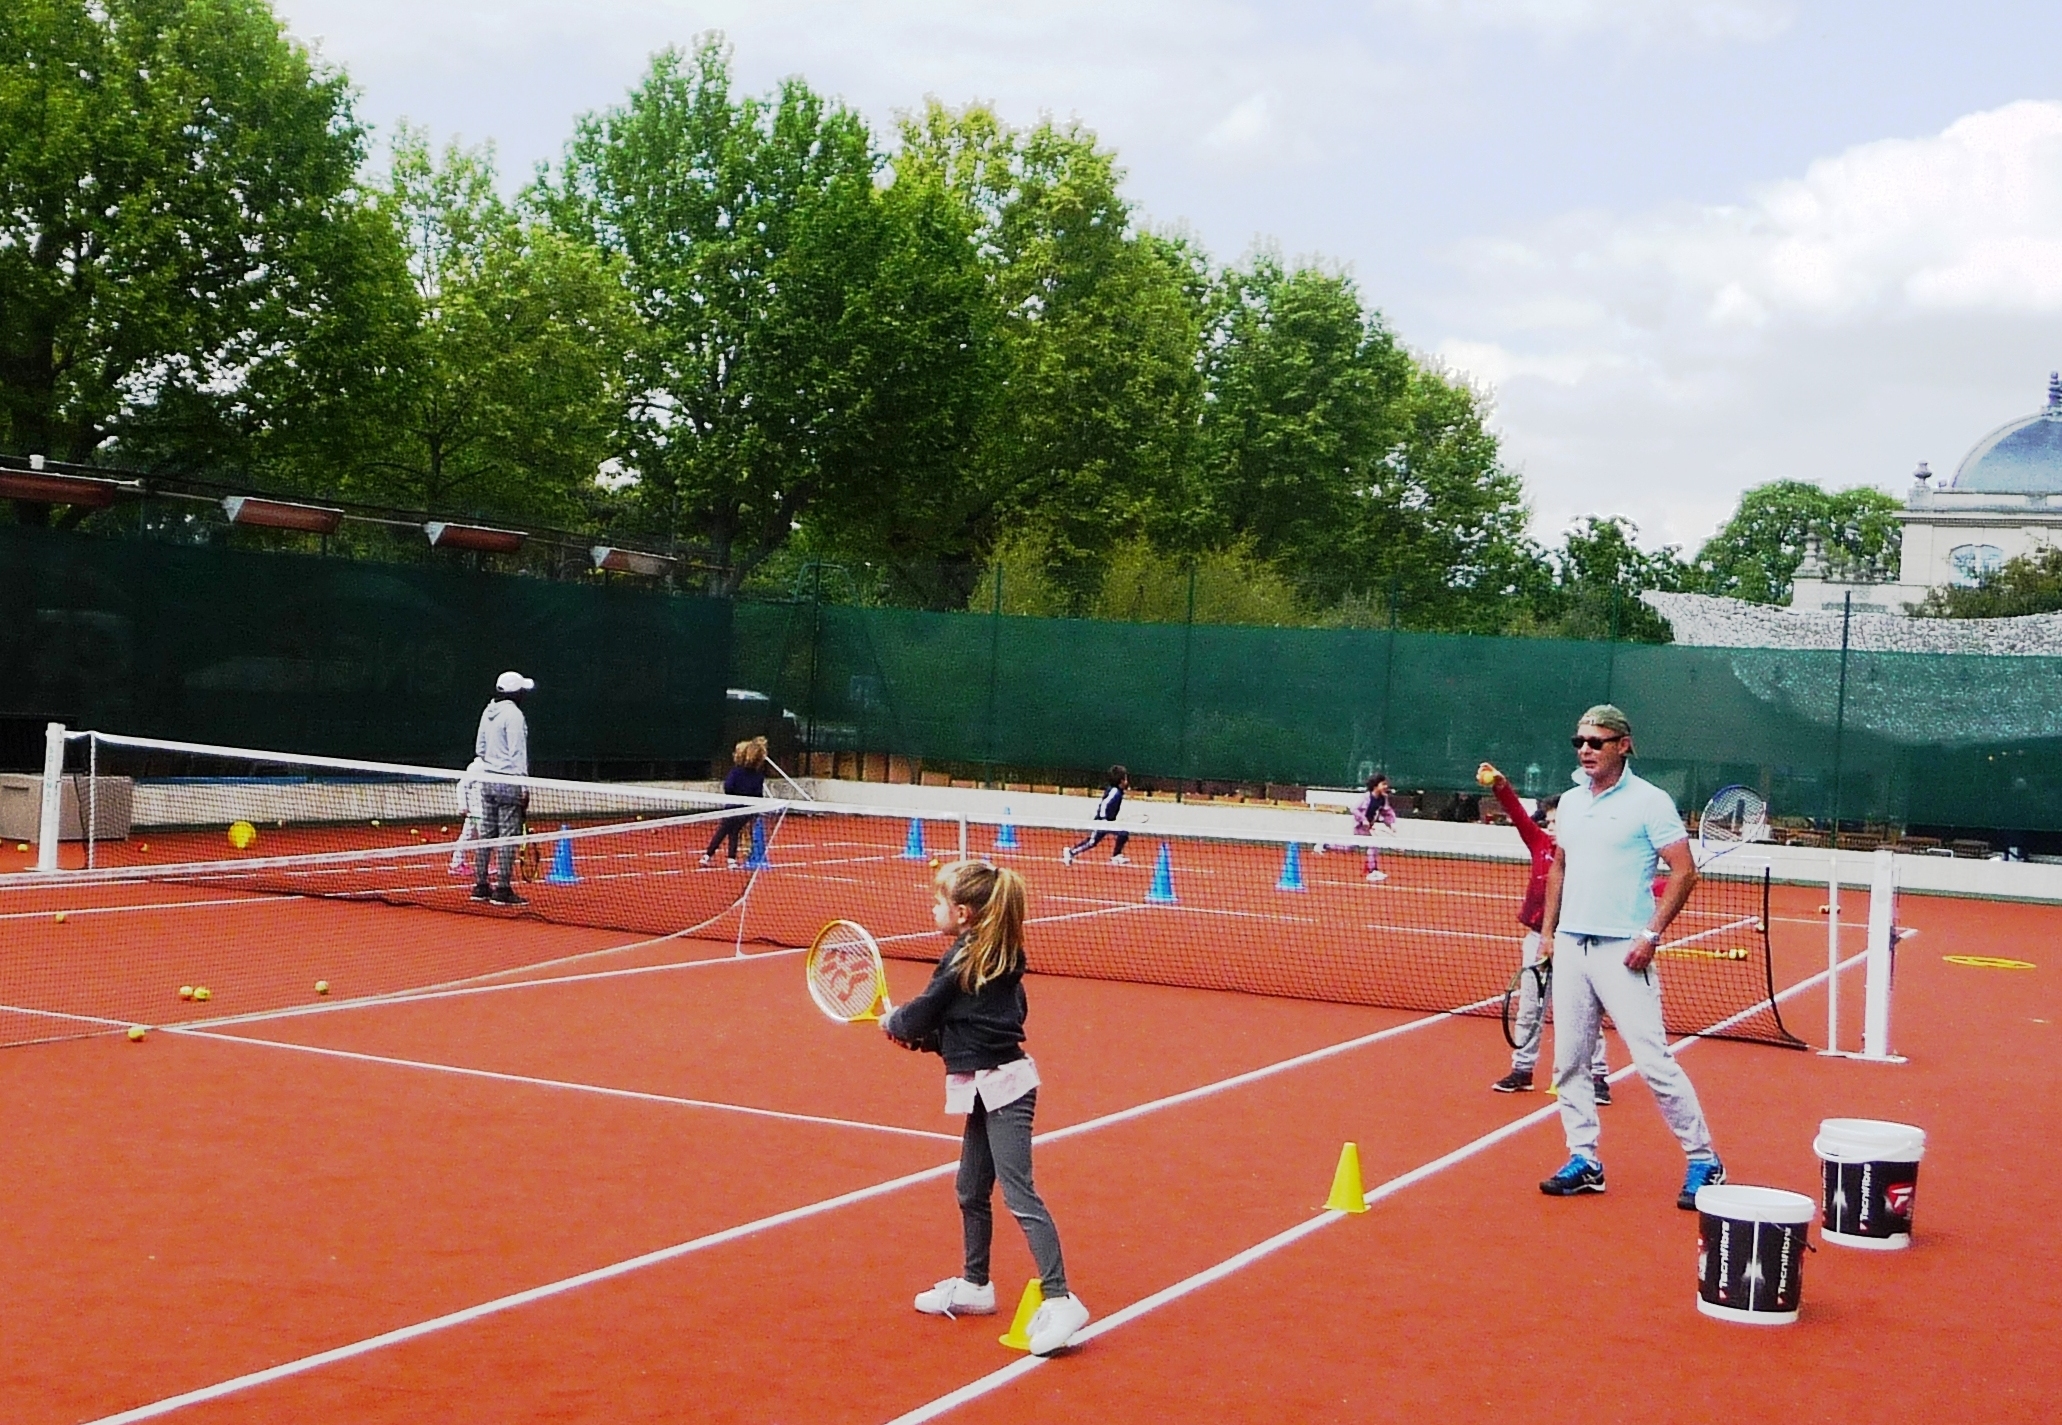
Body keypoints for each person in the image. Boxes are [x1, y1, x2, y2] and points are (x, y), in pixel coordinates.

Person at [883, 859, 1090, 1357]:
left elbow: (928, 1009)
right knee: (970, 1188)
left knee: (1019, 1194)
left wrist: (897, 1022)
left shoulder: (963, 960)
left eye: (938, 902)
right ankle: (976, 1286)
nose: (932, 908)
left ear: (963, 912)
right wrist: (928, 1040)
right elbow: (972, 1025)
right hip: (983, 1085)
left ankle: (1061, 1297)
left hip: (1006, 1088)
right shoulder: (993, 961)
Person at [1537, 705, 1725, 1210]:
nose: (1585, 750)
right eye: (1579, 741)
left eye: (1596, 742)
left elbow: (1684, 871)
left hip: (1625, 951)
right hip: (1573, 946)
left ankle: (1704, 1159)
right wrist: (1549, 934)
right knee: (1569, 1064)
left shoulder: (1651, 802)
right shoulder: (1572, 803)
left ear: (1623, 744)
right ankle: (1584, 1160)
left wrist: (1650, 933)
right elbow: (1559, 866)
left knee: (1653, 1063)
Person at [1480, 765, 1610, 1100]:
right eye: (1548, 822)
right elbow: (1516, 812)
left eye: (1557, 822)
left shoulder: (1587, 852)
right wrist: (1500, 784)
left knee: (1584, 1010)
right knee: (1529, 1008)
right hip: (1538, 939)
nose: (1551, 828)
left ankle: (1597, 1076)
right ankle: (1522, 1069)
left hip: (1574, 939)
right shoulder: (1537, 843)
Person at [472, 671, 533, 906]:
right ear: (516, 693)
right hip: (508, 782)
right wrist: (524, 787)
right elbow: (518, 753)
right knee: (509, 837)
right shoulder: (514, 715)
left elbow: (480, 747)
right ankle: (503, 889)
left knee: (486, 835)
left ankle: (480, 886)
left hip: (487, 781)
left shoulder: (487, 711)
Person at [701, 737, 769, 868]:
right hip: (746, 810)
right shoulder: (757, 775)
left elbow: (728, 786)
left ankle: (708, 856)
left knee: (724, 831)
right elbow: (758, 794)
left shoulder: (736, 772)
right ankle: (730, 859)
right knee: (733, 831)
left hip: (734, 808)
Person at [1315, 773, 1396, 882]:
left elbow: (1387, 812)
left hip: (1368, 827)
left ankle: (1325, 845)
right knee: (1372, 845)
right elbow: (1354, 809)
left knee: (1349, 847)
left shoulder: (1383, 798)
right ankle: (1372, 871)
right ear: (1376, 786)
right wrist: (1363, 820)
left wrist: (1391, 824)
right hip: (1360, 827)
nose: (1386, 787)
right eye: (1383, 784)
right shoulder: (1366, 797)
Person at [1062, 766, 1130, 866]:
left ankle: (1116, 856)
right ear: (1121, 780)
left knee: (1123, 833)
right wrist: (1103, 820)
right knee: (1092, 842)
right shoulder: (1114, 792)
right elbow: (1104, 804)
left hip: (1108, 822)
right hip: (1101, 822)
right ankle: (1070, 852)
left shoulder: (1118, 792)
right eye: (1125, 778)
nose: (1127, 781)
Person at [449, 757, 487, 876]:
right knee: (484, 838)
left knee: (470, 836)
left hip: (484, 810)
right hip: (476, 812)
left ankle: (457, 863)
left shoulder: (496, 765)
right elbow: (461, 786)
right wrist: (463, 806)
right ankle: (478, 865)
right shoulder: (477, 766)